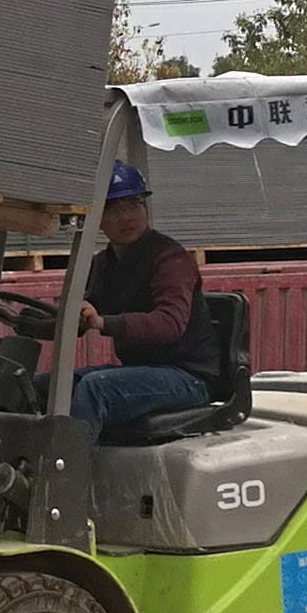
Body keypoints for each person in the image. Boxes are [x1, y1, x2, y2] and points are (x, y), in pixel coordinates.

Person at [70, 162, 218, 432]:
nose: (126, 217)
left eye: (134, 205)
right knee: (50, 385)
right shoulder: (104, 264)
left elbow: (169, 324)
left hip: (188, 377)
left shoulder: (169, 259)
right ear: (98, 218)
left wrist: (102, 322)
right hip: (146, 371)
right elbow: (81, 313)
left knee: (96, 388)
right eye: (114, 209)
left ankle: (65, 471)